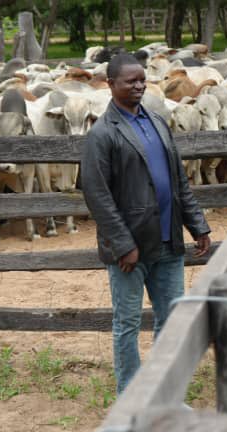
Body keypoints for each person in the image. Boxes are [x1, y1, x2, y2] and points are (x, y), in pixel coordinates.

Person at [81, 53, 212, 394]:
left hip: (167, 240)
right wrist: (123, 245)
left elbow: (178, 180)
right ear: (111, 85)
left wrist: (197, 224)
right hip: (131, 249)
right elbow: (98, 196)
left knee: (172, 322)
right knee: (127, 324)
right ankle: (130, 395)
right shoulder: (101, 134)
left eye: (142, 79)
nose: (139, 85)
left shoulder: (156, 120)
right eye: (130, 81)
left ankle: (164, 393)